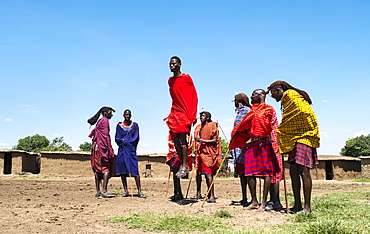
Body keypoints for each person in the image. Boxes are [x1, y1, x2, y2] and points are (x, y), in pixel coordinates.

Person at [268, 81, 320, 213]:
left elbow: (302, 113)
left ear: (278, 89)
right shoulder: (287, 99)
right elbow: (290, 118)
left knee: (304, 172)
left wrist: (282, 130)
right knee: (293, 172)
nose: (272, 96)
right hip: (294, 138)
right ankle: (297, 205)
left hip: (304, 136)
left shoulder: (290, 95)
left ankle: (307, 207)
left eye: (272, 93)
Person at [230, 89, 281, 211]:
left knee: (266, 172)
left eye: (254, 94)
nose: (251, 96)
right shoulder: (251, 110)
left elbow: (266, 125)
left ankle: (263, 203)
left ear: (261, 96)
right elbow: (245, 126)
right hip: (251, 144)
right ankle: (254, 201)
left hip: (264, 143)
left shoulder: (268, 109)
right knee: (249, 172)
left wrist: (254, 116)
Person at [164, 56, 198, 178]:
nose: (171, 66)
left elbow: (193, 96)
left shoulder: (186, 79)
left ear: (180, 64)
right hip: (175, 111)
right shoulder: (170, 80)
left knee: (182, 138)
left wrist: (192, 116)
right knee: (175, 138)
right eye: (170, 64)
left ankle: (185, 165)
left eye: (174, 64)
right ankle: (181, 163)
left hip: (185, 112)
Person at [115, 109, 145, 198]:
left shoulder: (135, 125)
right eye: (126, 114)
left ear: (131, 115)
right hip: (122, 150)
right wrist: (123, 142)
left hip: (131, 150)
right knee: (122, 169)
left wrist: (128, 142)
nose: (127, 116)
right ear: (123, 115)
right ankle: (125, 190)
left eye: (129, 115)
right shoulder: (119, 126)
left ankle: (139, 191)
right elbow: (117, 138)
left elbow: (136, 137)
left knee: (134, 169)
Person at [193, 111, 221, 203]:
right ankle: (198, 193)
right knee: (198, 173)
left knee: (208, 174)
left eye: (203, 115)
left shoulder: (212, 126)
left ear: (208, 117)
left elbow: (214, 140)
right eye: (200, 116)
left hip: (209, 153)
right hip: (200, 153)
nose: (201, 117)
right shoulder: (198, 127)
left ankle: (211, 196)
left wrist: (201, 140)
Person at [88, 106, 116, 198]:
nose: (111, 115)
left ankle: (98, 191)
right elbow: (105, 136)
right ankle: (104, 191)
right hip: (101, 148)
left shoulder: (99, 121)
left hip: (96, 148)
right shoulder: (105, 121)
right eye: (110, 112)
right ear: (105, 113)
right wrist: (110, 149)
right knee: (106, 169)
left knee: (97, 169)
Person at [230, 93, 251, 206]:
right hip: (239, 147)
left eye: (235, 100)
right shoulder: (239, 111)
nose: (235, 103)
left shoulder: (247, 111)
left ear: (240, 101)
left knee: (249, 174)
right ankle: (244, 198)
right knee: (242, 174)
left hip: (246, 146)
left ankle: (253, 199)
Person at [165, 133, 192, 201]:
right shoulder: (173, 133)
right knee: (175, 171)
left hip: (184, 155)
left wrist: (178, 153)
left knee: (175, 168)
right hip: (174, 154)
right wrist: (174, 153)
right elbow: (171, 143)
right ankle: (177, 193)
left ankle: (178, 193)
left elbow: (188, 144)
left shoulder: (186, 135)